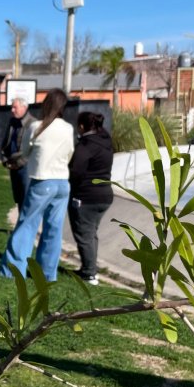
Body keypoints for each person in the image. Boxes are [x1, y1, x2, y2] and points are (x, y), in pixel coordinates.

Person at [0, 88, 75, 282]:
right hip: (62, 183)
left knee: (27, 225)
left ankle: (13, 270)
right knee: (54, 229)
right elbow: (70, 153)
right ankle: (47, 273)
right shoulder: (68, 128)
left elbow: (25, 152)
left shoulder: (36, 127)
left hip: (42, 180)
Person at [68, 111, 114, 286]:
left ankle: (89, 274)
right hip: (105, 195)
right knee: (91, 233)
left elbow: (76, 171)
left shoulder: (86, 146)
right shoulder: (106, 142)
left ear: (81, 126)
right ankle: (89, 268)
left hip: (86, 197)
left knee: (84, 235)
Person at [0, 96, 31, 210]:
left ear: (24, 107)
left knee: (26, 198)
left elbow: (32, 149)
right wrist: (5, 159)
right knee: (18, 197)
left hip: (26, 167)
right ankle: (20, 220)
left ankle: (25, 221)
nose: (12, 110)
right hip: (13, 166)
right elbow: (6, 142)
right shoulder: (12, 122)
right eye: (11, 107)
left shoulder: (32, 124)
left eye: (15, 107)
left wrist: (19, 163)